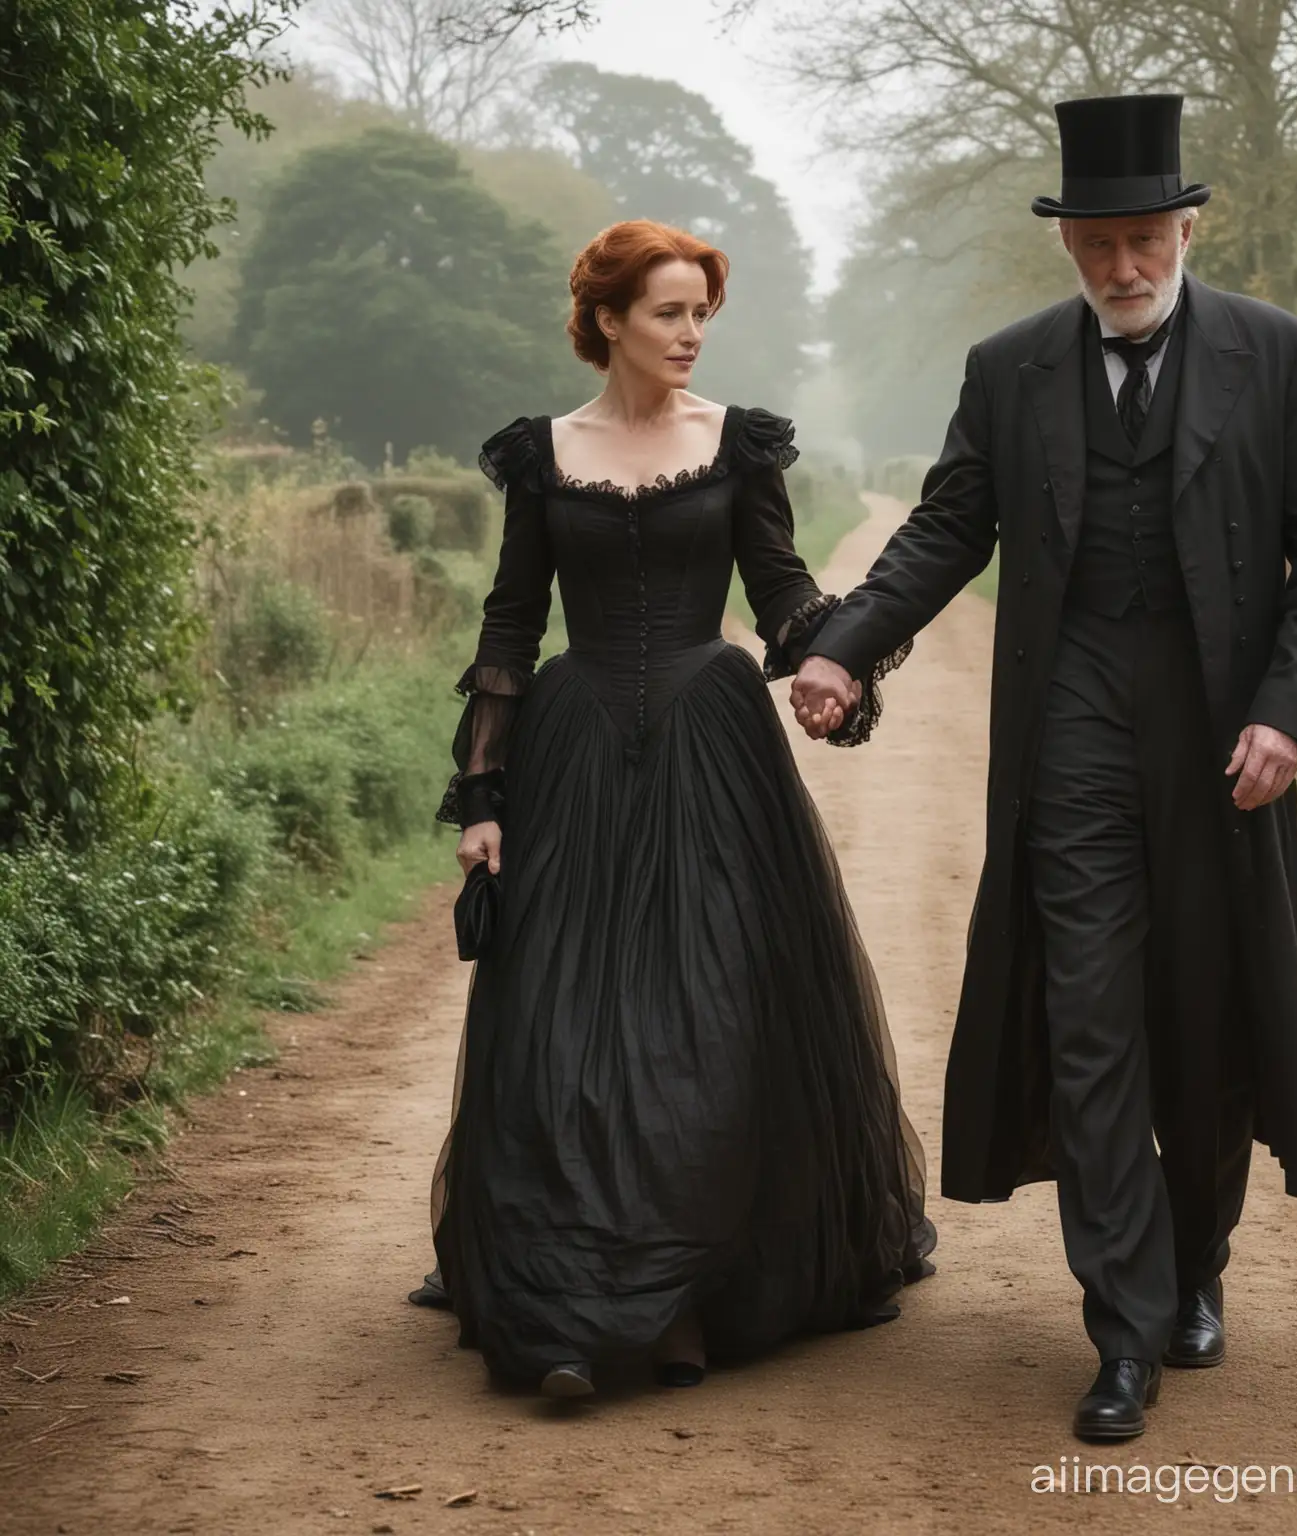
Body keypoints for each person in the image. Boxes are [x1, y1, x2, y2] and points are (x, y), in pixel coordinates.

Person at [791, 95, 1297, 1441]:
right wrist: (843, 649)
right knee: (1094, 1028)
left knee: (1202, 1024)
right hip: (1071, 742)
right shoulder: (1012, 371)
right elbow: (945, 532)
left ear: (1185, 228)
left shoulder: (1278, 356)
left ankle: (1196, 1271)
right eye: (1099, 242)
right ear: (1068, 244)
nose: (1123, 266)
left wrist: (1288, 714)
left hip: (1228, 746)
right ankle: (1123, 1328)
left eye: (1145, 238)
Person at [417, 219, 935, 1399]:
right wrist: (484, 795)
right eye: (668, 312)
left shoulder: (740, 446)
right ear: (608, 321)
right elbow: (511, 624)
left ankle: (687, 1297)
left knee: (712, 1012)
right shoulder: (544, 455)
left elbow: (781, 590)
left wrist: (837, 656)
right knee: (562, 1024)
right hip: (576, 752)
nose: (692, 334)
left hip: (713, 744)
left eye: (703, 311)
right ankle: (570, 1311)